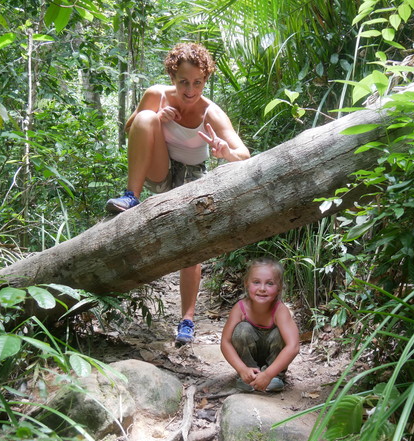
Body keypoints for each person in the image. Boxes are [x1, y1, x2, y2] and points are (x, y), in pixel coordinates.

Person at [106, 42, 250, 345]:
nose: (190, 89)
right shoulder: (156, 94)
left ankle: (186, 319)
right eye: (183, 81)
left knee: (191, 249)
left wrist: (224, 152)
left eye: (197, 82)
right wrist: (160, 117)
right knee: (147, 118)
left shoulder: (210, 111)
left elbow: (244, 154)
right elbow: (132, 127)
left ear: (205, 79)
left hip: (192, 180)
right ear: (173, 77)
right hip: (160, 171)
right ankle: (130, 196)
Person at [220, 258, 300, 392]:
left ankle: (275, 377)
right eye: (256, 282)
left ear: (279, 287)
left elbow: (293, 346)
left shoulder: (280, 310)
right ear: (247, 283)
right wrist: (242, 369)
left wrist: (269, 374)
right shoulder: (240, 308)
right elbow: (225, 342)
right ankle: (249, 377)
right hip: (248, 363)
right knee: (241, 330)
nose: (262, 289)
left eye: (270, 283)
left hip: (273, 365)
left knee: (280, 334)